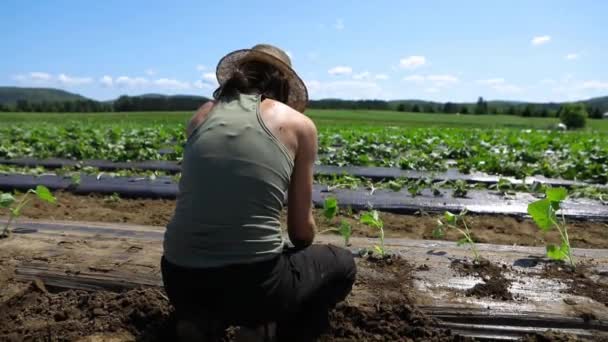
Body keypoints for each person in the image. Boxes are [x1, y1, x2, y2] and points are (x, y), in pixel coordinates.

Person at [161, 44, 356, 342]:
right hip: (254, 286)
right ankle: (262, 326)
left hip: (178, 278)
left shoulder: (200, 116)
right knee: (341, 263)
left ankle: (201, 321)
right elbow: (301, 234)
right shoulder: (298, 125)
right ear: (283, 83)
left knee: (214, 283)